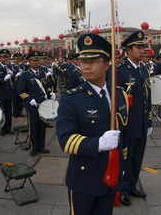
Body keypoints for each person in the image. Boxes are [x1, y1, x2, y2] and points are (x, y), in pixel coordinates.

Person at [57, 33, 128, 215]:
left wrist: (121, 165)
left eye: (94, 61)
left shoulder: (119, 94)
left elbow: (123, 134)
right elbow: (66, 140)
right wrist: (98, 143)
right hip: (84, 178)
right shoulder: (71, 99)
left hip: (110, 174)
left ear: (106, 64)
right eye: (83, 61)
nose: (86, 66)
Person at [111, 31, 151, 206]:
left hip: (141, 122)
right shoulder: (120, 71)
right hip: (127, 124)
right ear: (128, 50)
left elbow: (147, 97)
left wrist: (149, 121)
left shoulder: (143, 68)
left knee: (137, 157)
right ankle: (122, 189)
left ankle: (132, 184)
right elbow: (115, 100)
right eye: (138, 47)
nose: (142, 50)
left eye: (143, 47)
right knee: (125, 158)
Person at [17, 51, 55, 156]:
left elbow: (46, 86)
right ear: (29, 62)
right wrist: (29, 99)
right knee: (33, 127)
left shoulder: (43, 73)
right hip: (32, 105)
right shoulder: (25, 75)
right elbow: (20, 90)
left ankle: (41, 146)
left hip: (43, 104)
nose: (37, 62)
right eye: (34, 60)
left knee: (42, 126)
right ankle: (33, 147)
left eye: (38, 60)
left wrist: (50, 92)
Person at [0, 49, 15, 136]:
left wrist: (12, 76)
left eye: (7, 57)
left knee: (9, 112)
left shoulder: (9, 67)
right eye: (4, 57)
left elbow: (13, 81)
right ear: (0, 58)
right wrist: (3, 79)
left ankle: (8, 128)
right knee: (1, 111)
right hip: (0, 92)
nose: (6, 59)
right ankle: (1, 128)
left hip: (9, 92)